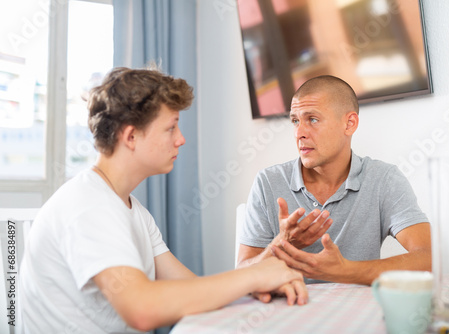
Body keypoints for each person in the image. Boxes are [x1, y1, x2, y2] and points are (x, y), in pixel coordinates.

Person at [19, 66, 307, 334]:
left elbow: (191, 288)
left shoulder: (132, 210)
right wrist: (254, 277)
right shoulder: (88, 205)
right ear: (131, 136)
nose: (180, 139)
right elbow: (142, 309)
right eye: (171, 128)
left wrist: (260, 273)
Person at [237, 75, 431, 286]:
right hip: (288, 311)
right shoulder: (268, 182)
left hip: (358, 314)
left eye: (312, 119)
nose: (299, 133)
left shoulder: (383, 179)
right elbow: (242, 273)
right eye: (295, 121)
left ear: (349, 124)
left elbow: (430, 258)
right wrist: (283, 244)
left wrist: (346, 271)